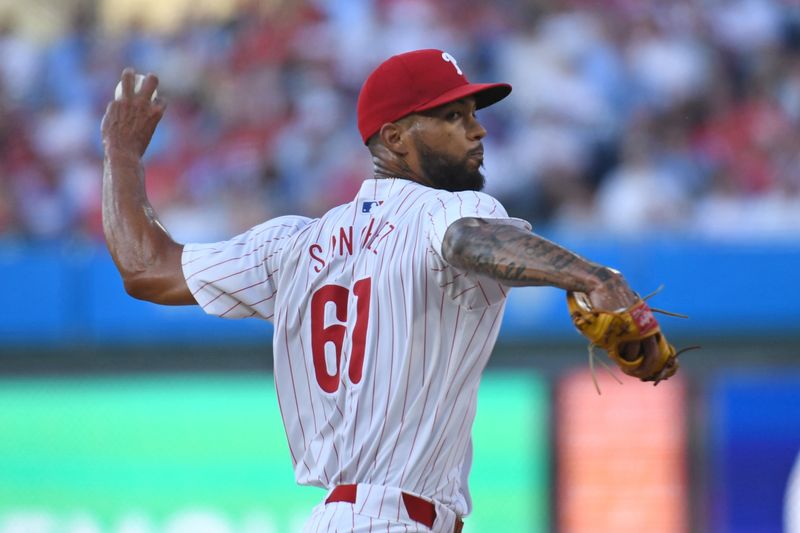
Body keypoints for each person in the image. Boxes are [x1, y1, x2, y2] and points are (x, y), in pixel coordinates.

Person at [101, 48, 661, 533]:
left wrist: (121, 158)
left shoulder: (293, 246)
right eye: (452, 115)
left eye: (472, 113)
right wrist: (593, 277)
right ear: (394, 137)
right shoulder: (448, 210)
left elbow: (147, 267)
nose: (478, 128)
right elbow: (468, 238)